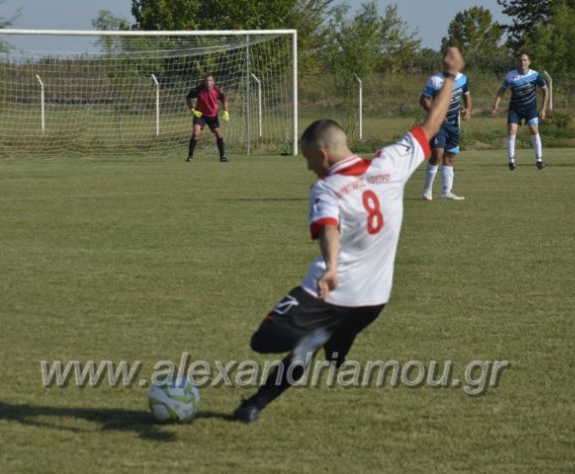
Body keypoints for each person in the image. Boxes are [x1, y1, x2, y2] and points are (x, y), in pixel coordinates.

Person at [232, 47, 466, 423]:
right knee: (321, 347)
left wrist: (332, 267)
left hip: (331, 293)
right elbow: (433, 123)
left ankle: (320, 341)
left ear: (323, 154)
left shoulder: (327, 187)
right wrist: (452, 77)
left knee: (267, 339)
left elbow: (329, 228)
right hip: (374, 301)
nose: (310, 168)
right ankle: (254, 405)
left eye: (309, 160)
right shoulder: (390, 161)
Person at [419, 54, 472, 201]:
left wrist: (467, 109)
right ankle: (427, 189)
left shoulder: (462, 78)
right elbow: (423, 100)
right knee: (437, 154)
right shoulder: (435, 80)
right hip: (438, 124)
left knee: (450, 157)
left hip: (454, 125)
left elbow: (467, 96)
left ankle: (446, 192)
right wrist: (436, 113)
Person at [492, 52, 548, 170]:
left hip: (530, 108)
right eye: (521, 60)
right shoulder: (510, 75)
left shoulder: (535, 75)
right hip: (515, 109)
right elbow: (501, 90)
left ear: (529, 62)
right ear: (518, 62)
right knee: (512, 131)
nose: (523, 62)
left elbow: (545, 90)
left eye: (525, 60)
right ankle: (511, 162)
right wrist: (495, 106)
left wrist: (543, 109)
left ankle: (539, 160)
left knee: (534, 130)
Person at [185, 74, 230, 163]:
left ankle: (223, 156)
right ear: (204, 81)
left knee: (218, 134)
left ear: (213, 82)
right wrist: (193, 110)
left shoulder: (217, 90)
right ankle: (190, 156)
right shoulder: (198, 89)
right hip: (200, 115)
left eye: (210, 80)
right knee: (196, 133)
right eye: (206, 80)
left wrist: (226, 111)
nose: (208, 82)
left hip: (212, 116)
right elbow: (187, 97)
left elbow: (224, 99)